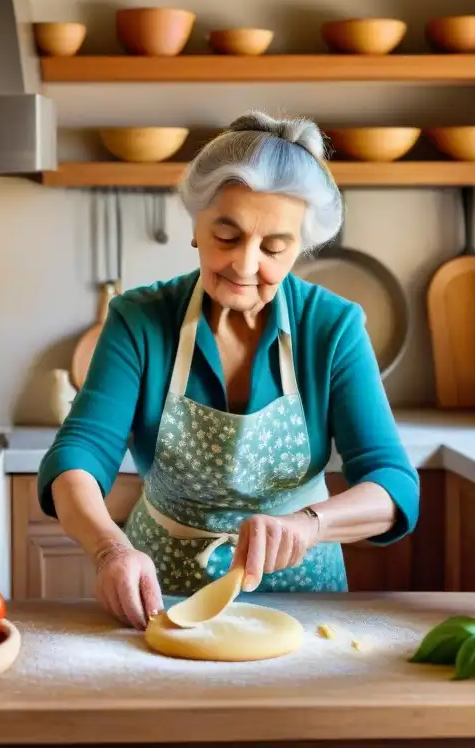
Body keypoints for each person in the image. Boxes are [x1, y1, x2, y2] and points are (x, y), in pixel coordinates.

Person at [38, 111, 420, 630]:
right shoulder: (140, 321)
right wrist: (109, 551)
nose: (244, 265)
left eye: (273, 247)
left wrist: (311, 524)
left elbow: (393, 482)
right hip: (160, 597)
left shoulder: (333, 328)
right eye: (227, 235)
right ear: (196, 226)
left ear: (299, 248)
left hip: (304, 601)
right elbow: (79, 454)